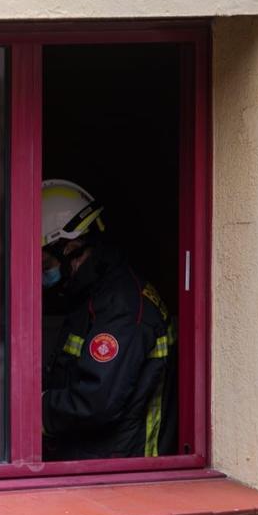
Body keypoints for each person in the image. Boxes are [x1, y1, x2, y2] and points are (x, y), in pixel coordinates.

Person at [40, 179, 177, 460]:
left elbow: (96, 400)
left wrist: (34, 409)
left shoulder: (122, 306)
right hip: (95, 463)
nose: (43, 275)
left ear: (69, 247)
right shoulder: (91, 295)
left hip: (123, 476)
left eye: (45, 264)